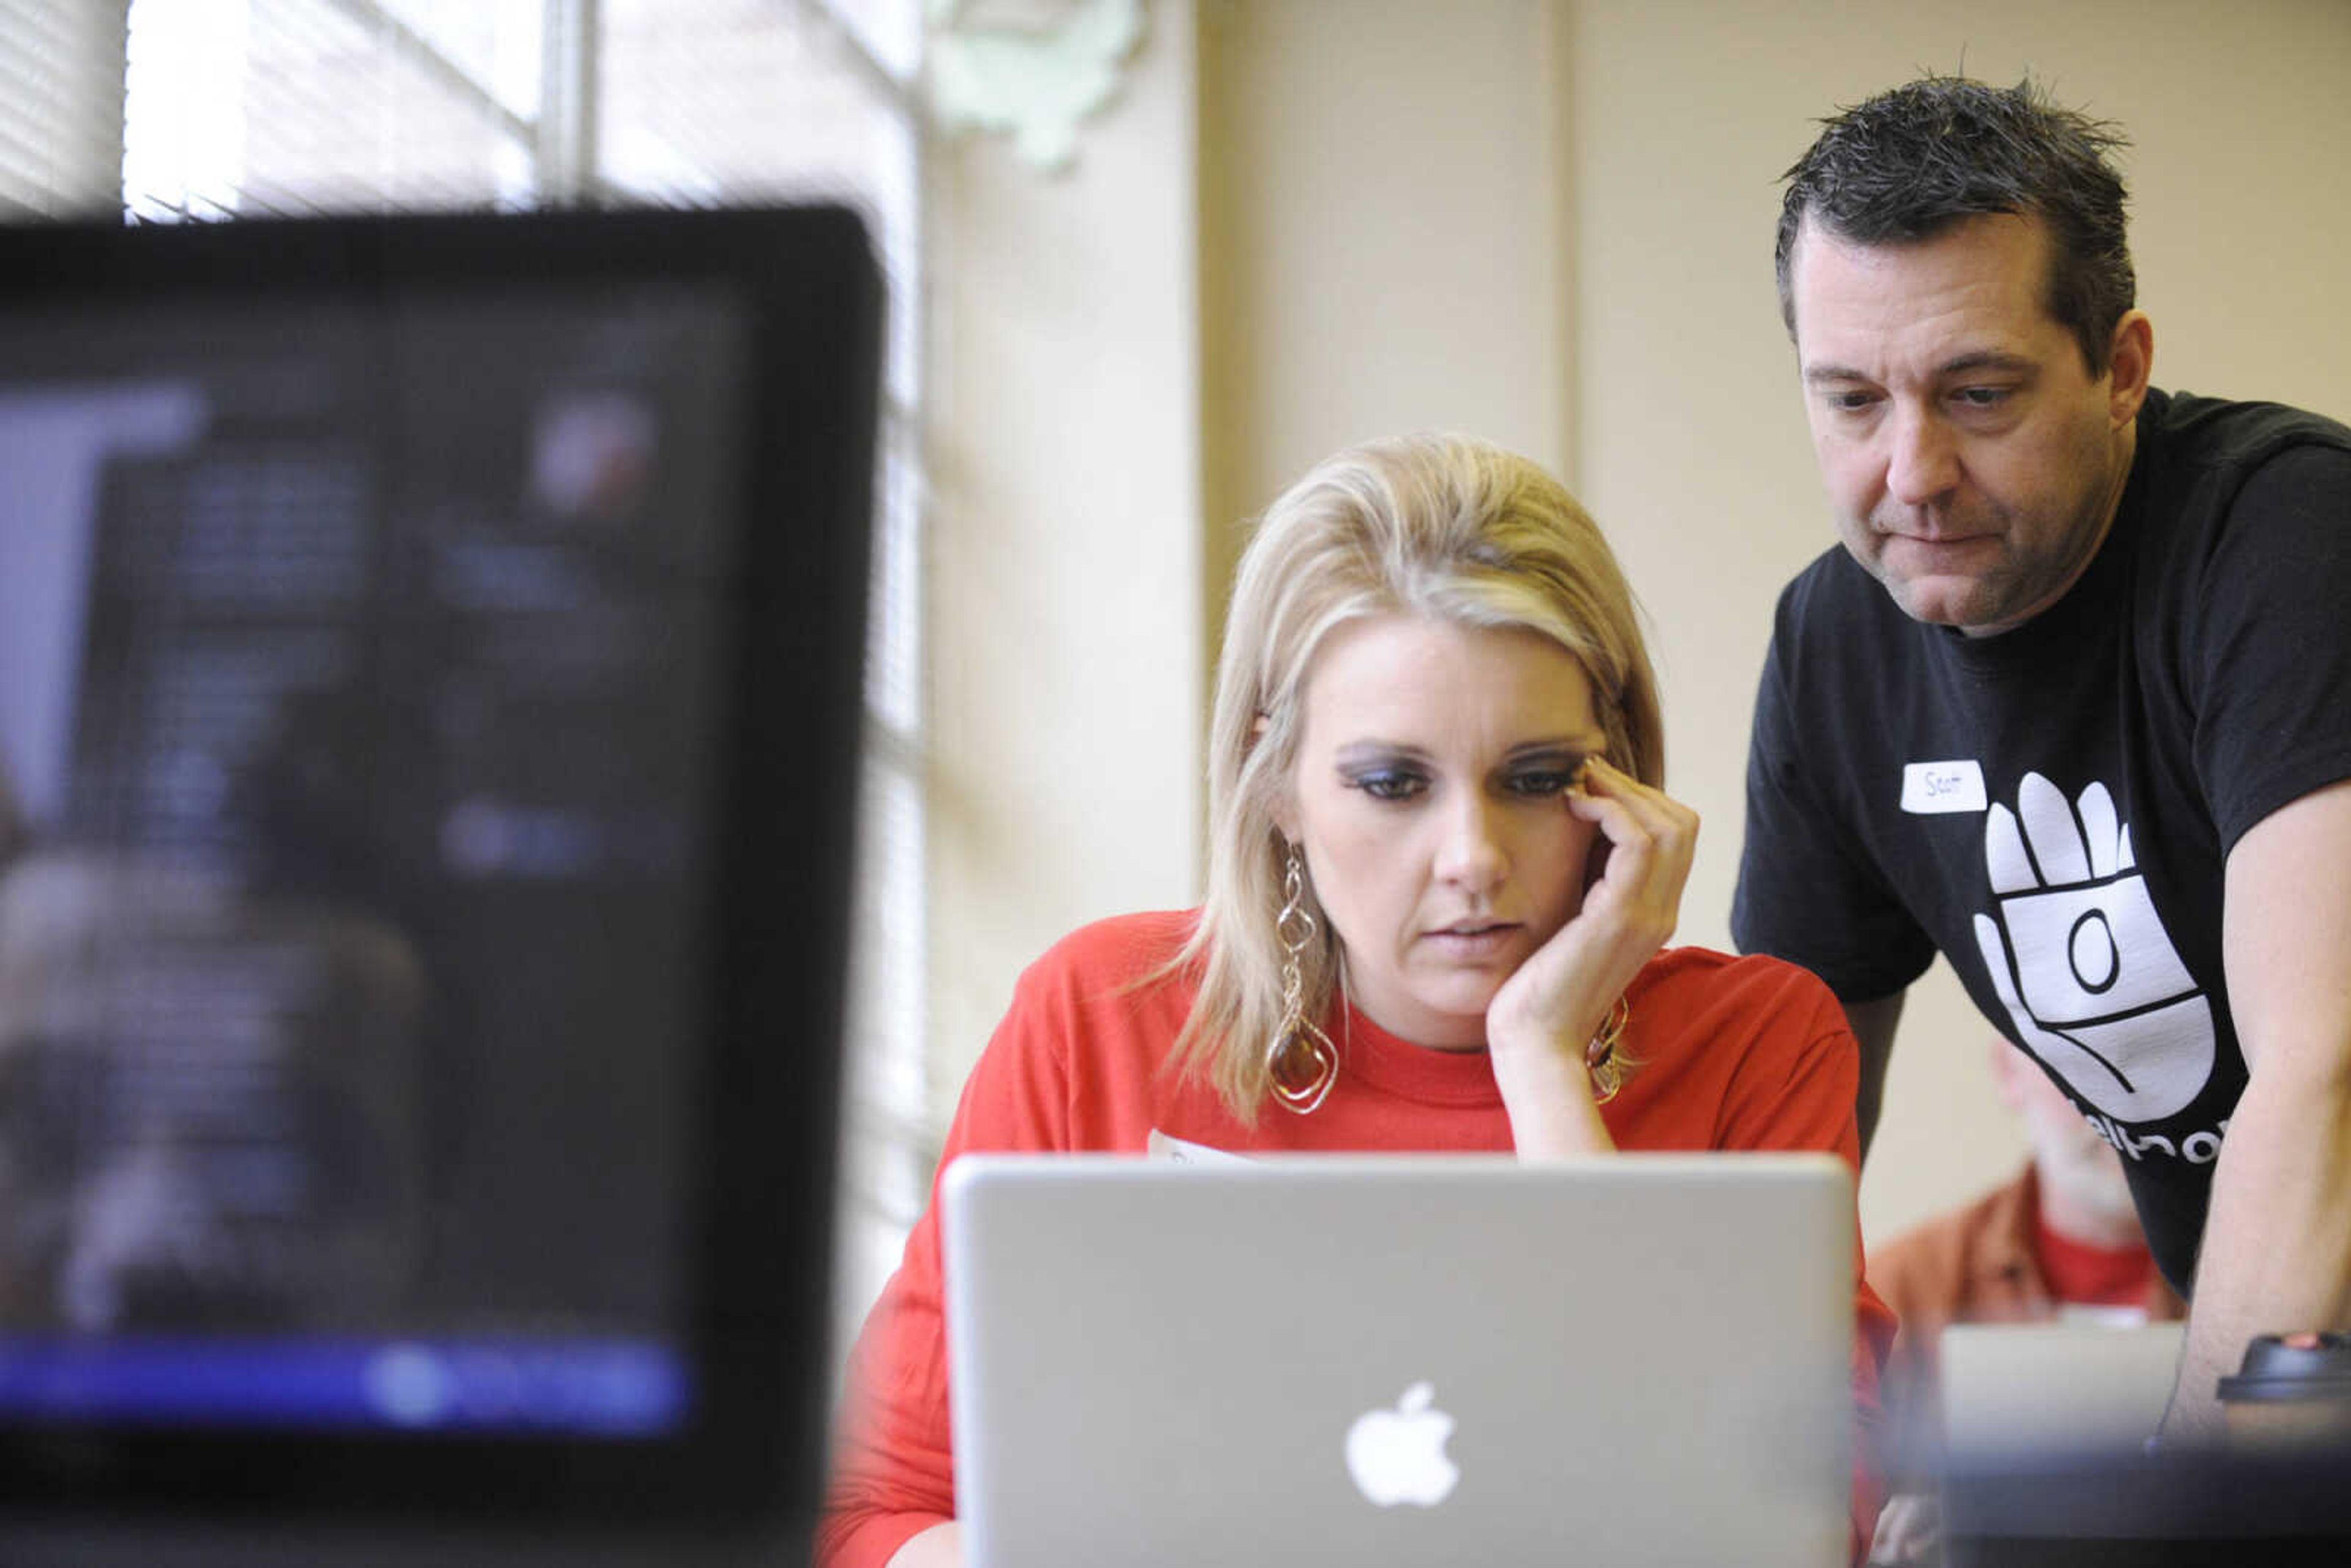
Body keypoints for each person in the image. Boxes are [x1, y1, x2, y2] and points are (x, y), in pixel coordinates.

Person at [819, 433, 1897, 1568]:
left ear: (1615, 774)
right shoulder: (1101, 1018)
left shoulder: (1758, 1044)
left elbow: (1797, 1538)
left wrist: (1539, 1054)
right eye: (1393, 784)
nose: (1472, 857)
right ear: (1273, 780)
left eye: (1534, 780)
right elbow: (868, 1515)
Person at [1733, 72, 2351, 1447]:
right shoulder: (1837, 647)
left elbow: (2327, 1073)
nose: (1913, 471)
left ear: (2120, 367)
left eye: (1978, 393)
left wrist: (2197, 1508)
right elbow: (1776, 1168)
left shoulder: (2286, 532)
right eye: (1850, 401)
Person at [1865, 1037, 2185, 1562]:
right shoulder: (1901, 1288)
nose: (2119, 1104)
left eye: (2157, 1059)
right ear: (2007, 1071)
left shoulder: (2299, 1290)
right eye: (2080, 1062)